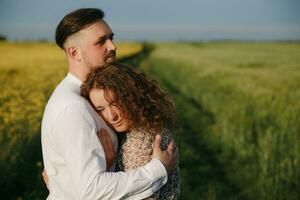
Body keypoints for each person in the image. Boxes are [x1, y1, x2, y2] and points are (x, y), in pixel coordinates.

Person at [41, 8, 178, 200]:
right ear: (74, 52)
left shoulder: (88, 96)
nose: (113, 46)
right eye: (101, 41)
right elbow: (91, 190)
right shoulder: (74, 107)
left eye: (111, 38)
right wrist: (157, 169)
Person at [80, 62, 181, 199]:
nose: (112, 116)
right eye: (100, 109)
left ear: (132, 97)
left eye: (115, 103)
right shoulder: (145, 128)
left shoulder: (140, 141)